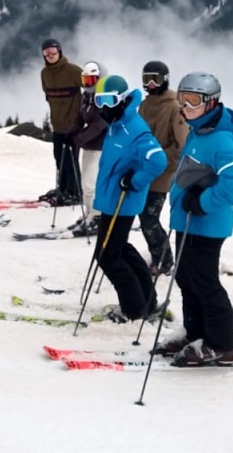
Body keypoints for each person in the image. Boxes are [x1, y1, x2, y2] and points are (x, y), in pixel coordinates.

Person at [158, 71, 233, 366]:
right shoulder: (199, 131)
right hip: (188, 221)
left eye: (193, 100)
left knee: (205, 282)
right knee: (185, 277)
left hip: (207, 225)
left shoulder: (221, 140)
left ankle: (223, 344)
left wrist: (202, 202)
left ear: (211, 103)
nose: (186, 106)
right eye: (183, 99)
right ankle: (194, 331)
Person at [90, 75, 167, 322]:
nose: (103, 108)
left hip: (122, 201)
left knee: (107, 256)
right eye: (98, 101)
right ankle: (147, 299)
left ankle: (133, 309)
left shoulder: (133, 127)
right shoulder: (117, 124)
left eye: (109, 101)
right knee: (120, 249)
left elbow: (158, 160)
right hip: (113, 199)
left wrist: (135, 181)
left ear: (122, 100)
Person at [137, 60, 188, 274]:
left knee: (149, 217)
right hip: (143, 169)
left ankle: (165, 259)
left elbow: (181, 146)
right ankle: (158, 254)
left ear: (165, 80)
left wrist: (157, 157)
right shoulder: (145, 104)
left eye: (155, 79)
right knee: (143, 215)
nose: (150, 84)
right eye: (146, 79)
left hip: (162, 172)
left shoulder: (174, 107)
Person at [64, 60, 108, 236]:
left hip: (100, 146)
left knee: (91, 183)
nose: (87, 84)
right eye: (85, 80)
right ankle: (90, 213)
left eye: (91, 80)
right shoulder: (87, 96)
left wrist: (80, 138)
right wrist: (70, 133)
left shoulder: (102, 97)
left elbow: (100, 124)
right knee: (86, 184)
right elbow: (79, 117)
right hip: (89, 145)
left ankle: (97, 217)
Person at [38, 38, 83, 206]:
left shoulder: (72, 71)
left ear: (60, 52)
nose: (50, 55)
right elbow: (48, 96)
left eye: (53, 51)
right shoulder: (45, 74)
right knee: (59, 158)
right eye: (46, 52)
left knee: (71, 159)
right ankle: (63, 189)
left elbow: (91, 85)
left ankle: (75, 192)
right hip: (57, 125)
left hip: (73, 126)